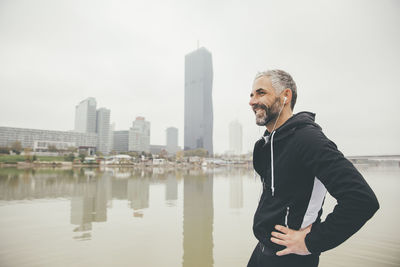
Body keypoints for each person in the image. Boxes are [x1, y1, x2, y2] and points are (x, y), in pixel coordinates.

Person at [247, 69, 379, 267]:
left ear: (285, 95)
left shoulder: (308, 139)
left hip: (291, 258)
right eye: (251, 95)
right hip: (261, 252)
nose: (252, 101)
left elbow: (361, 200)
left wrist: (310, 243)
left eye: (261, 93)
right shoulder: (264, 145)